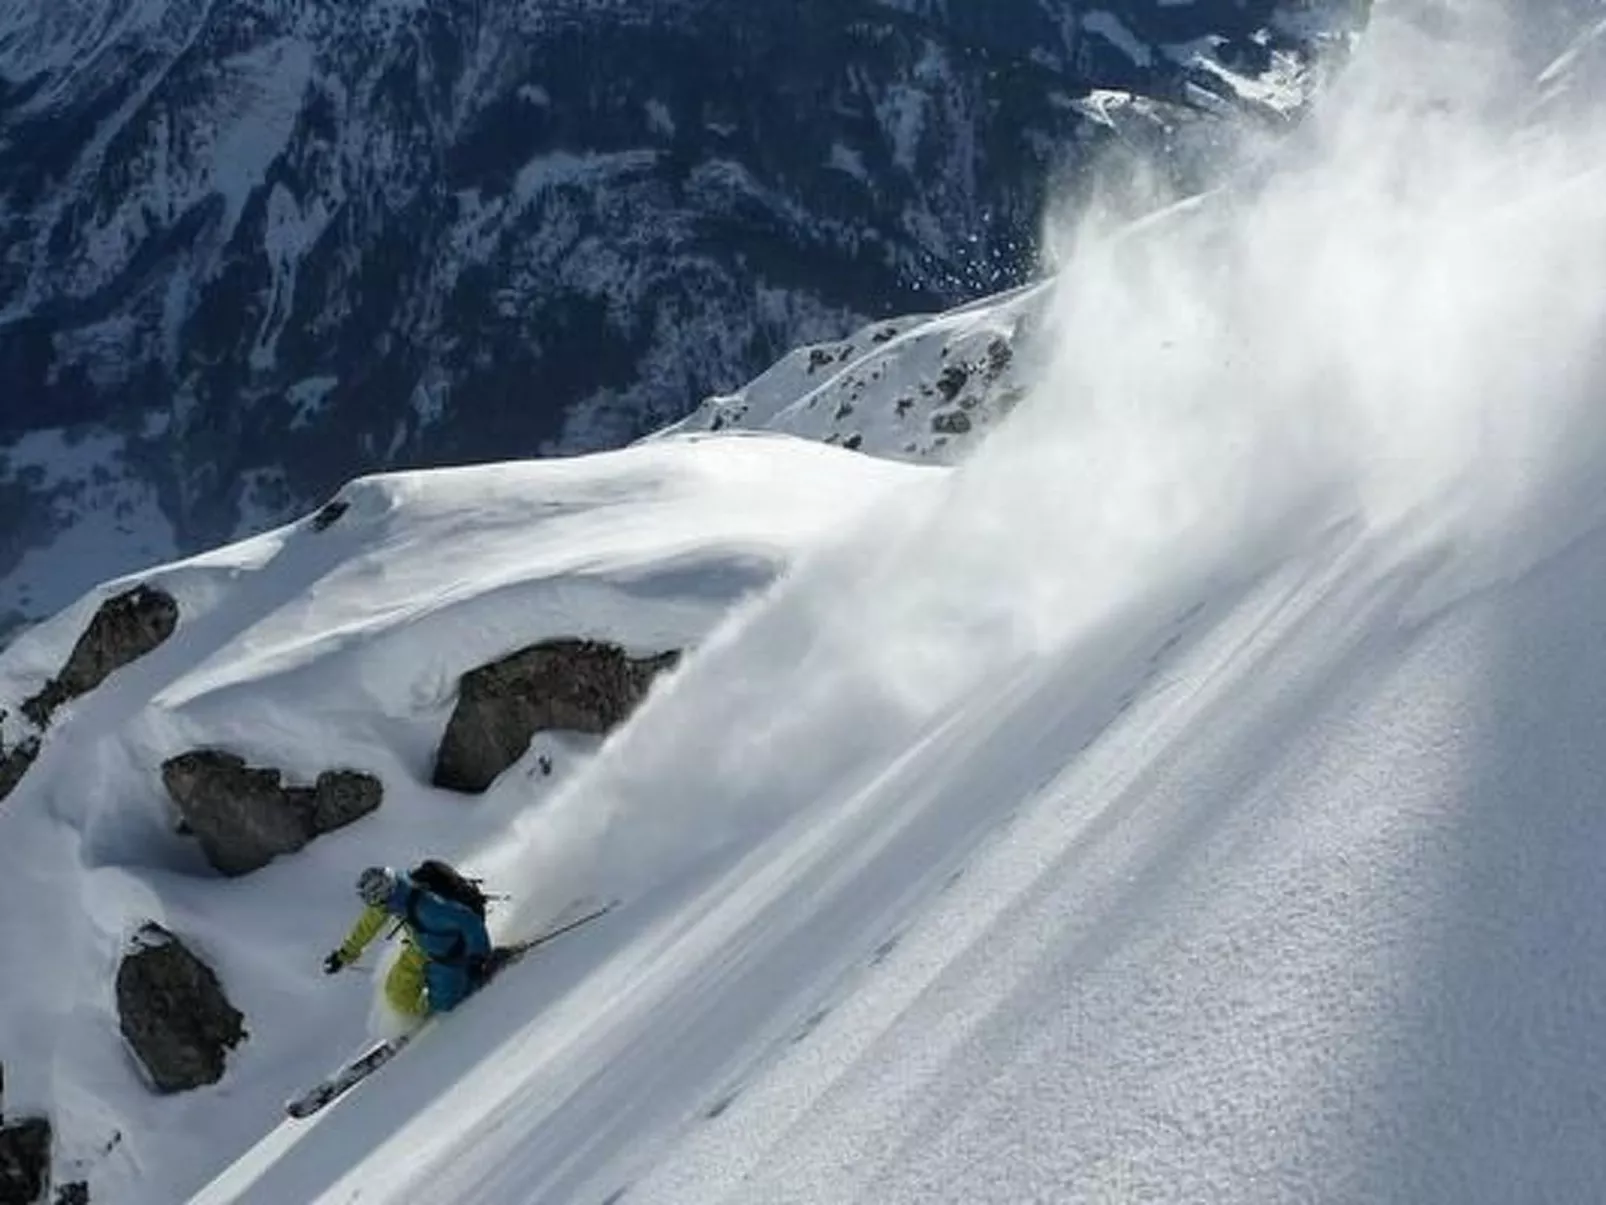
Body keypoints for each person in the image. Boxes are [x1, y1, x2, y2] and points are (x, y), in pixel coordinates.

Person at [323, 865, 492, 1020]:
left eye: (373, 899)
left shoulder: (427, 907)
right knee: (397, 992)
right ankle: (428, 1010)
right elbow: (369, 923)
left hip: (449, 953)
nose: (373, 904)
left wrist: (479, 959)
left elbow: (469, 922)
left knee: (445, 1004)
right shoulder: (392, 897)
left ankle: (451, 998)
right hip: (422, 947)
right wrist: (344, 955)